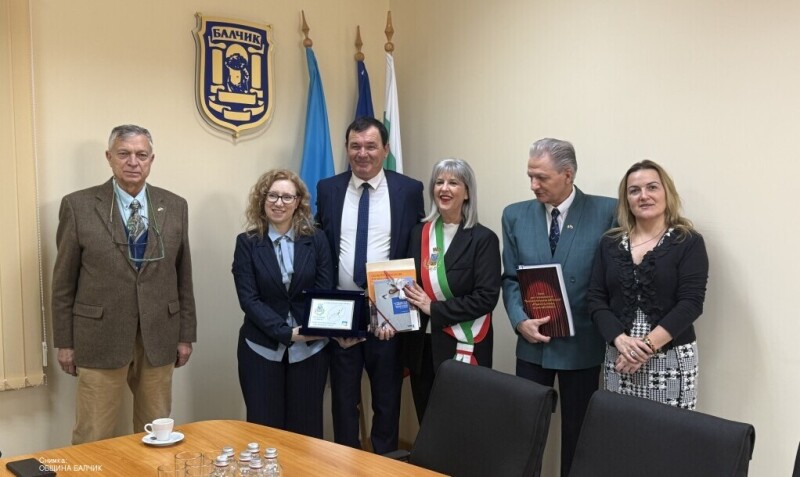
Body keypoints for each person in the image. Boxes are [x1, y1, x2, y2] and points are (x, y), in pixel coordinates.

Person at [52, 124, 196, 444]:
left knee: (157, 432)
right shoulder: (78, 205)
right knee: (93, 434)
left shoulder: (175, 206)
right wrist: (65, 342)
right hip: (99, 337)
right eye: (124, 154)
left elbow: (183, 277)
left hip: (159, 336)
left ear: (151, 160)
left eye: (141, 155)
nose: (133, 162)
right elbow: (63, 283)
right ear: (109, 157)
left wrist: (185, 335)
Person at [501, 138, 615, 477]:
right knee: (523, 431)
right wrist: (519, 321)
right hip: (532, 345)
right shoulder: (515, 215)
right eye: (530, 176)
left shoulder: (607, 212)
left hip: (582, 345)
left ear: (568, 174)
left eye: (542, 177)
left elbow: (612, 279)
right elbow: (510, 279)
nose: (533, 185)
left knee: (579, 435)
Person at [316, 117, 424, 454]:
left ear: (385, 149)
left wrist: (399, 311)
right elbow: (322, 250)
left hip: (388, 309)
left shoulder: (409, 189)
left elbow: (414, 250)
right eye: (355, 146)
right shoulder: (328, 189)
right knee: (344, 400)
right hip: (343, 308)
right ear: (346, 148)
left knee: (387, 400)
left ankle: (384, 464)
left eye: (371, 146)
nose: (362, 153)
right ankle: (344, 465)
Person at [587, 160, 708, 408]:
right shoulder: (609, 244)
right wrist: (619, 339)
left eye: (652, 187)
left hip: (671, 357)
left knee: (669, 430)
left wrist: (645, 347)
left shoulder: (688, 242)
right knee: (620, 427)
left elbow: (691, 304)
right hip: (620, 355)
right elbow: (595, 299)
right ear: (626, 199)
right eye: (634, 190)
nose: (644, 196)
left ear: (666, 193)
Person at [232, 169, 333, 438]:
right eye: (273, 196)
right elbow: (249, 299)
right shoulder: (247, 243)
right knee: (265, 434)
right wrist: (286, 333)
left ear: (298, 202)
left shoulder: (317, 239)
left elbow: (324, 290)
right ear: (262, 199)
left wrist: (313, 329)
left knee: (306, 434)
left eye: (287, 197)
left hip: (311, 350)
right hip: (261, 349)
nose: (279, 203)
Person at [403, 158, 501, 422]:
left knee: (462, 425)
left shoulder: (483, 239)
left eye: (453, 183)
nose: (444, 189)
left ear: (467, 192)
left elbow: (486, 297)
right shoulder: (418, 234)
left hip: (463, 343)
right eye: (439, 182)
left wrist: (434, 308)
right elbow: (406, 285)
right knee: (427, 422)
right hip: (423, 347)